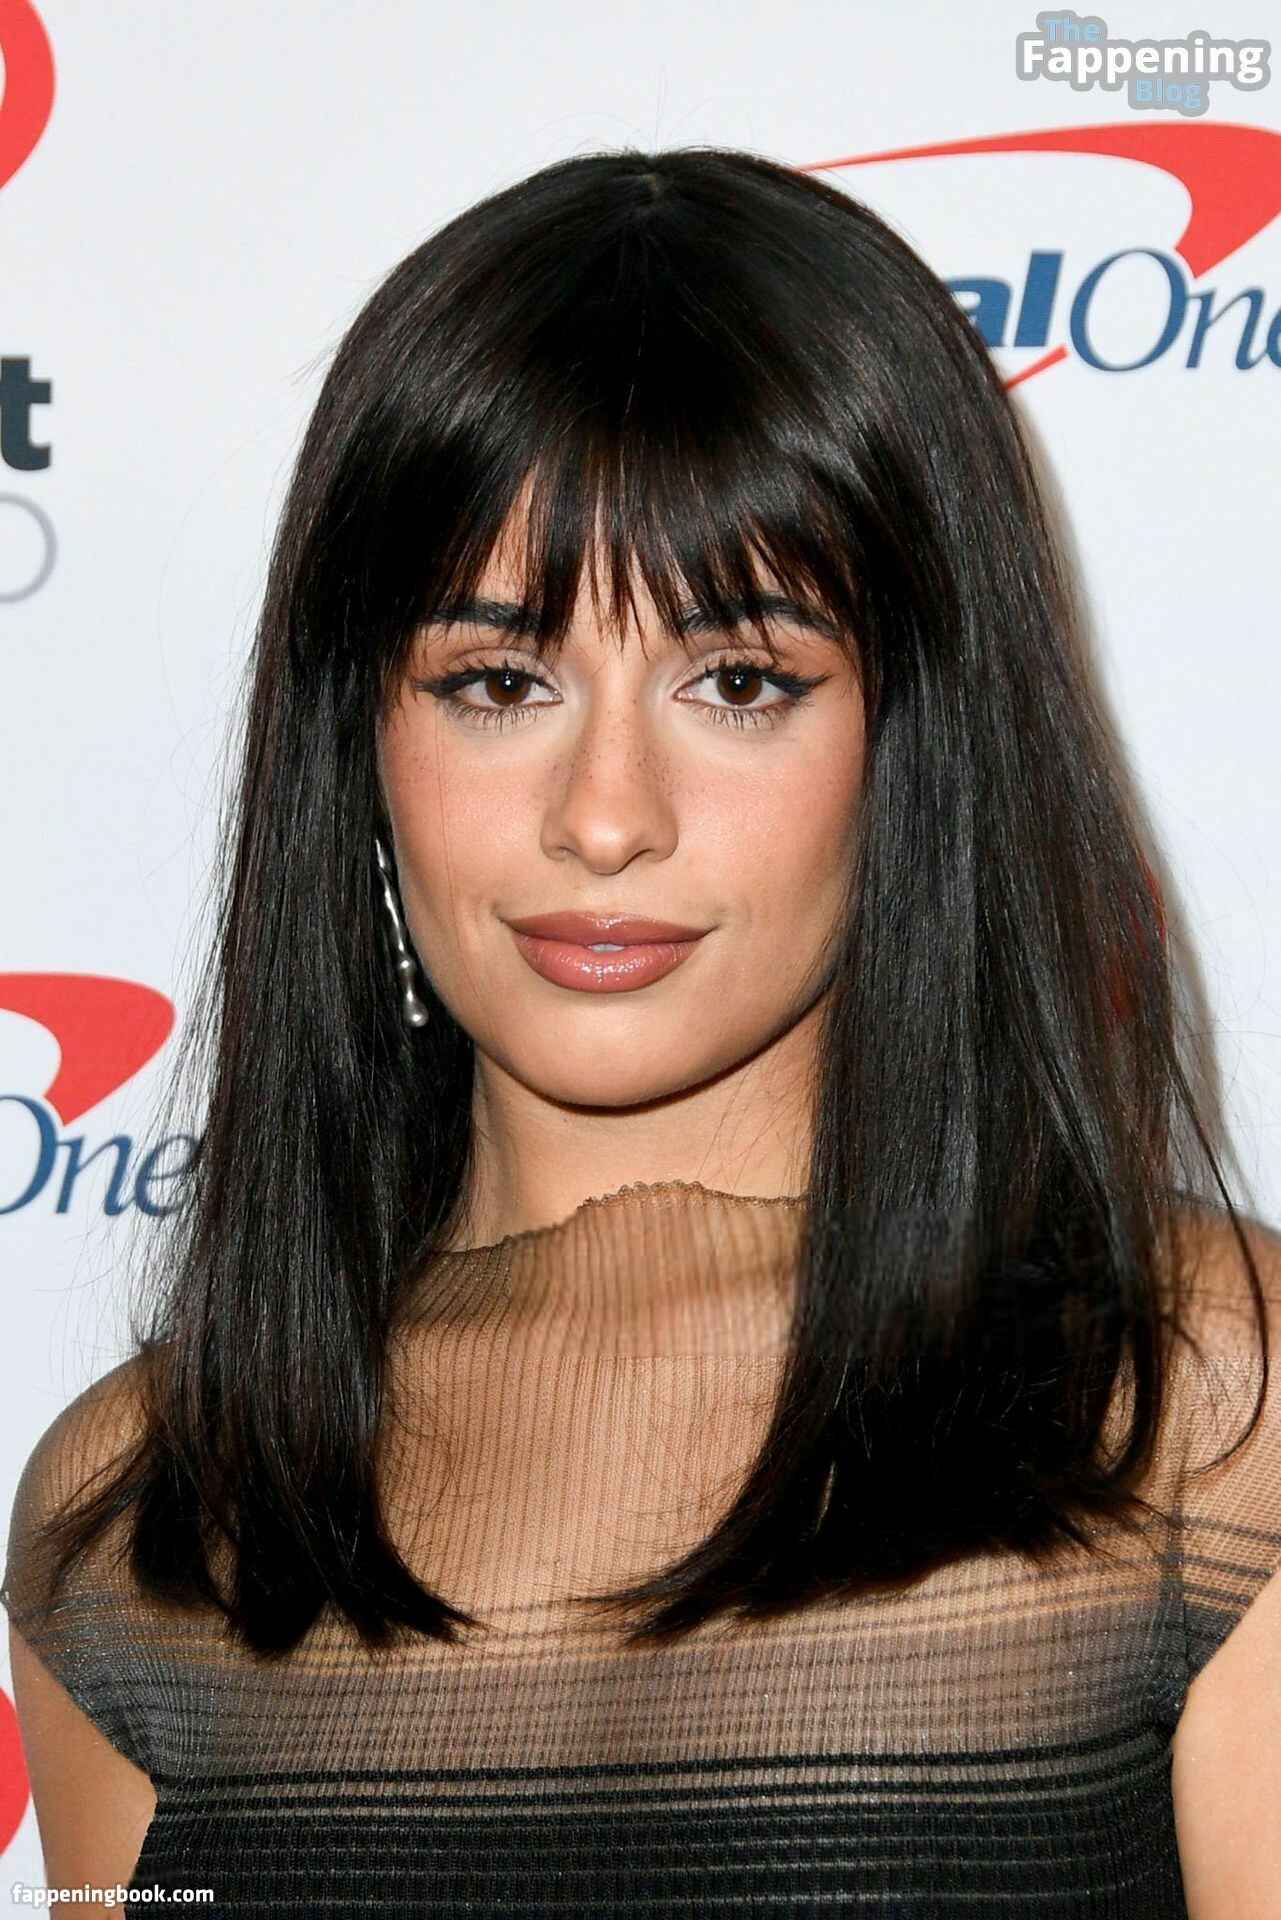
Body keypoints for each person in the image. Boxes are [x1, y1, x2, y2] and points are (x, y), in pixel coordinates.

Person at [4, 145, 1280, 1919]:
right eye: (496, 681)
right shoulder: (142, 1519)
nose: (604, 817)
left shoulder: (1198, 1414)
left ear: (918, 741)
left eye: (740, 682)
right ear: (358, 742)